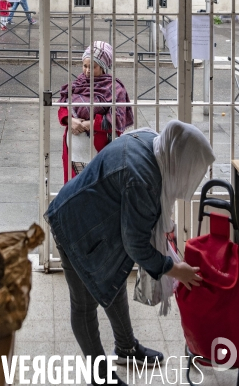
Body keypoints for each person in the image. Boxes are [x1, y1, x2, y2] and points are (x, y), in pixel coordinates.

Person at [45, 120, 214, 386]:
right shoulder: (143, 179)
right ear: (179, 158)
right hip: (74, 226)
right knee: (84, 305)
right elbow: (136, 245)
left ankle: (126, 348)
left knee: (111, 283)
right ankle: (99, 377)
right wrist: (173, 268)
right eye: (192, 168)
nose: (191, 176)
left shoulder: (153, 143)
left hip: (98, 223)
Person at [59, 41, 133, 183]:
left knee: (98, 191)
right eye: (85, 66)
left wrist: (88, 124)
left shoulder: (115, 88)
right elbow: (63, 106)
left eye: (93, 67)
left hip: (101, 152)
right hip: (73, 154)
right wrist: (70, 120)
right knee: (75, 192)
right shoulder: (77, 83)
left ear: (103, 67)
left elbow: (117, 120)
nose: (87, 71)